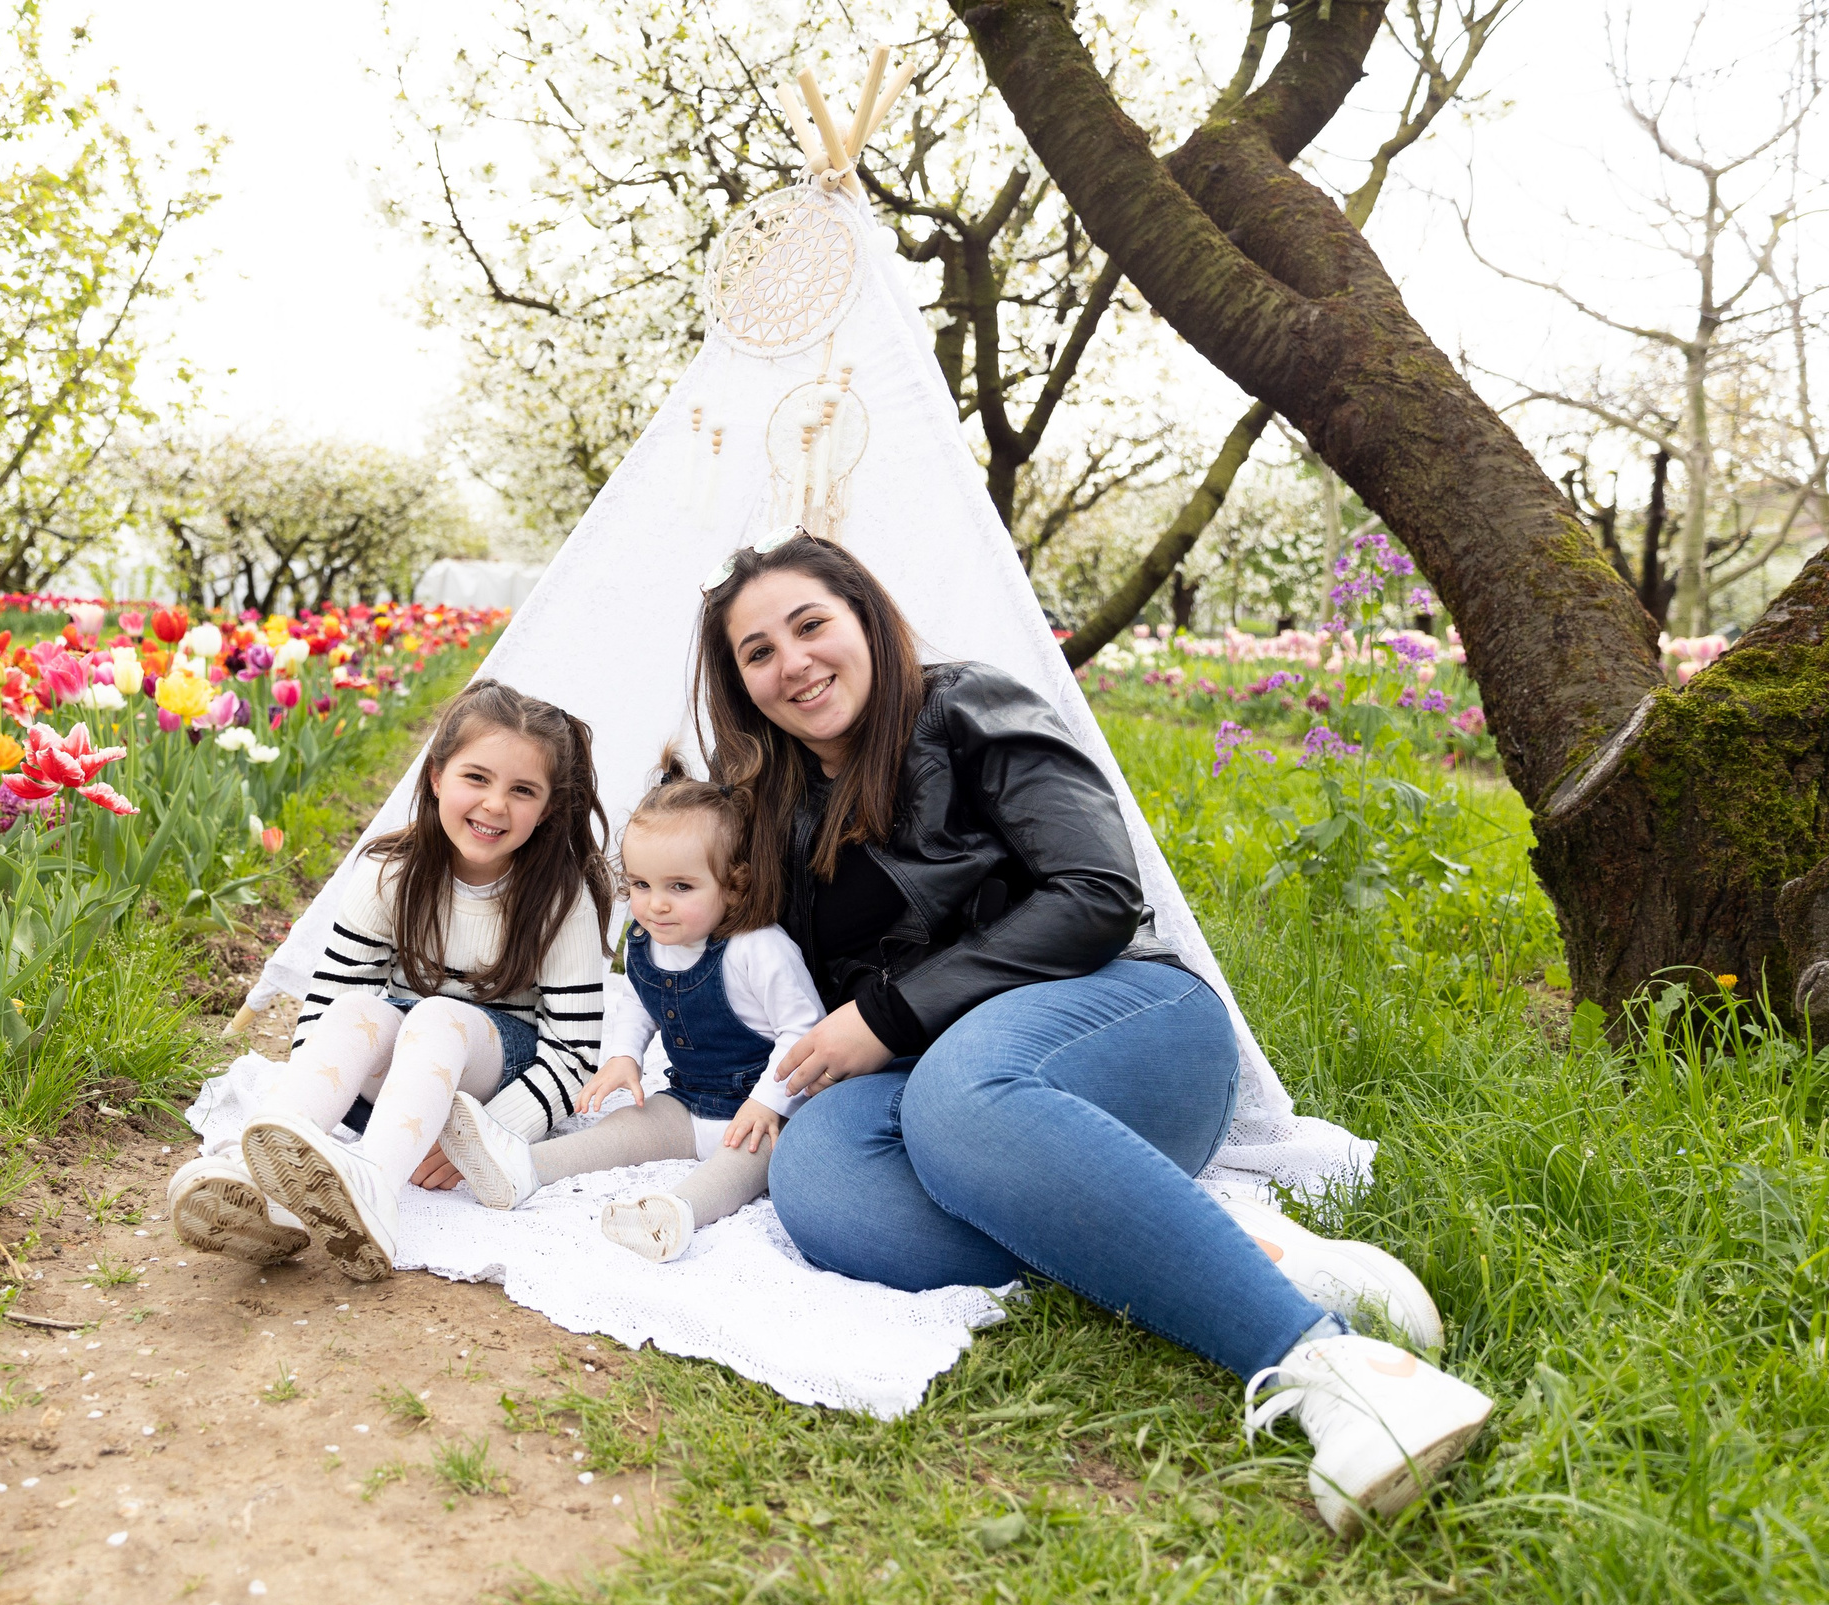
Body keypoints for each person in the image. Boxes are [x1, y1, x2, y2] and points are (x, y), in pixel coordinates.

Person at [700, 528, 1491, 1537]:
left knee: (956, 1101)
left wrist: (891, 1017)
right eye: (756, 651)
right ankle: (1241, 1246)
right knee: (824, 1186)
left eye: (810, 624)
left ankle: (1336, 1370)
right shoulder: (777, 806)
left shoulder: (968, 706)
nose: (791, 662)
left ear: (864, 618)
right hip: (953, 1081)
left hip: (1123, 1017)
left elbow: (1095, 892)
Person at [168, 680, 612, 1282]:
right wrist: (315, 1097)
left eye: (523, 790)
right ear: (435, 777)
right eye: (476, 778)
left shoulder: (562, 900)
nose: (495, 805)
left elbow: (576, 1051)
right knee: (358, 1014)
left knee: (434, 1017)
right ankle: (260, 1174)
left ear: (549, 808)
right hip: (399, 1082)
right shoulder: (391, 871)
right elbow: (328, 1000)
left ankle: (374, 1184)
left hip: (487, 1076)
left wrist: (482, 1139)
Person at [441, 751, 824, 1262]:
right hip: (689, 1099)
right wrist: (624, 1056)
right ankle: (522, 1167)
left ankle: (676, 1213)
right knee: (625, 1130)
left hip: (769, 1112)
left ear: (735, 886)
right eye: (641, 885)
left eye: (680, 887)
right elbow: (638, 1001)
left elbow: (803, 1033)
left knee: (743, 1162)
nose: (655, 904)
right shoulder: (647, 937)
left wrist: (767, 1103)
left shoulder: (760, 948)